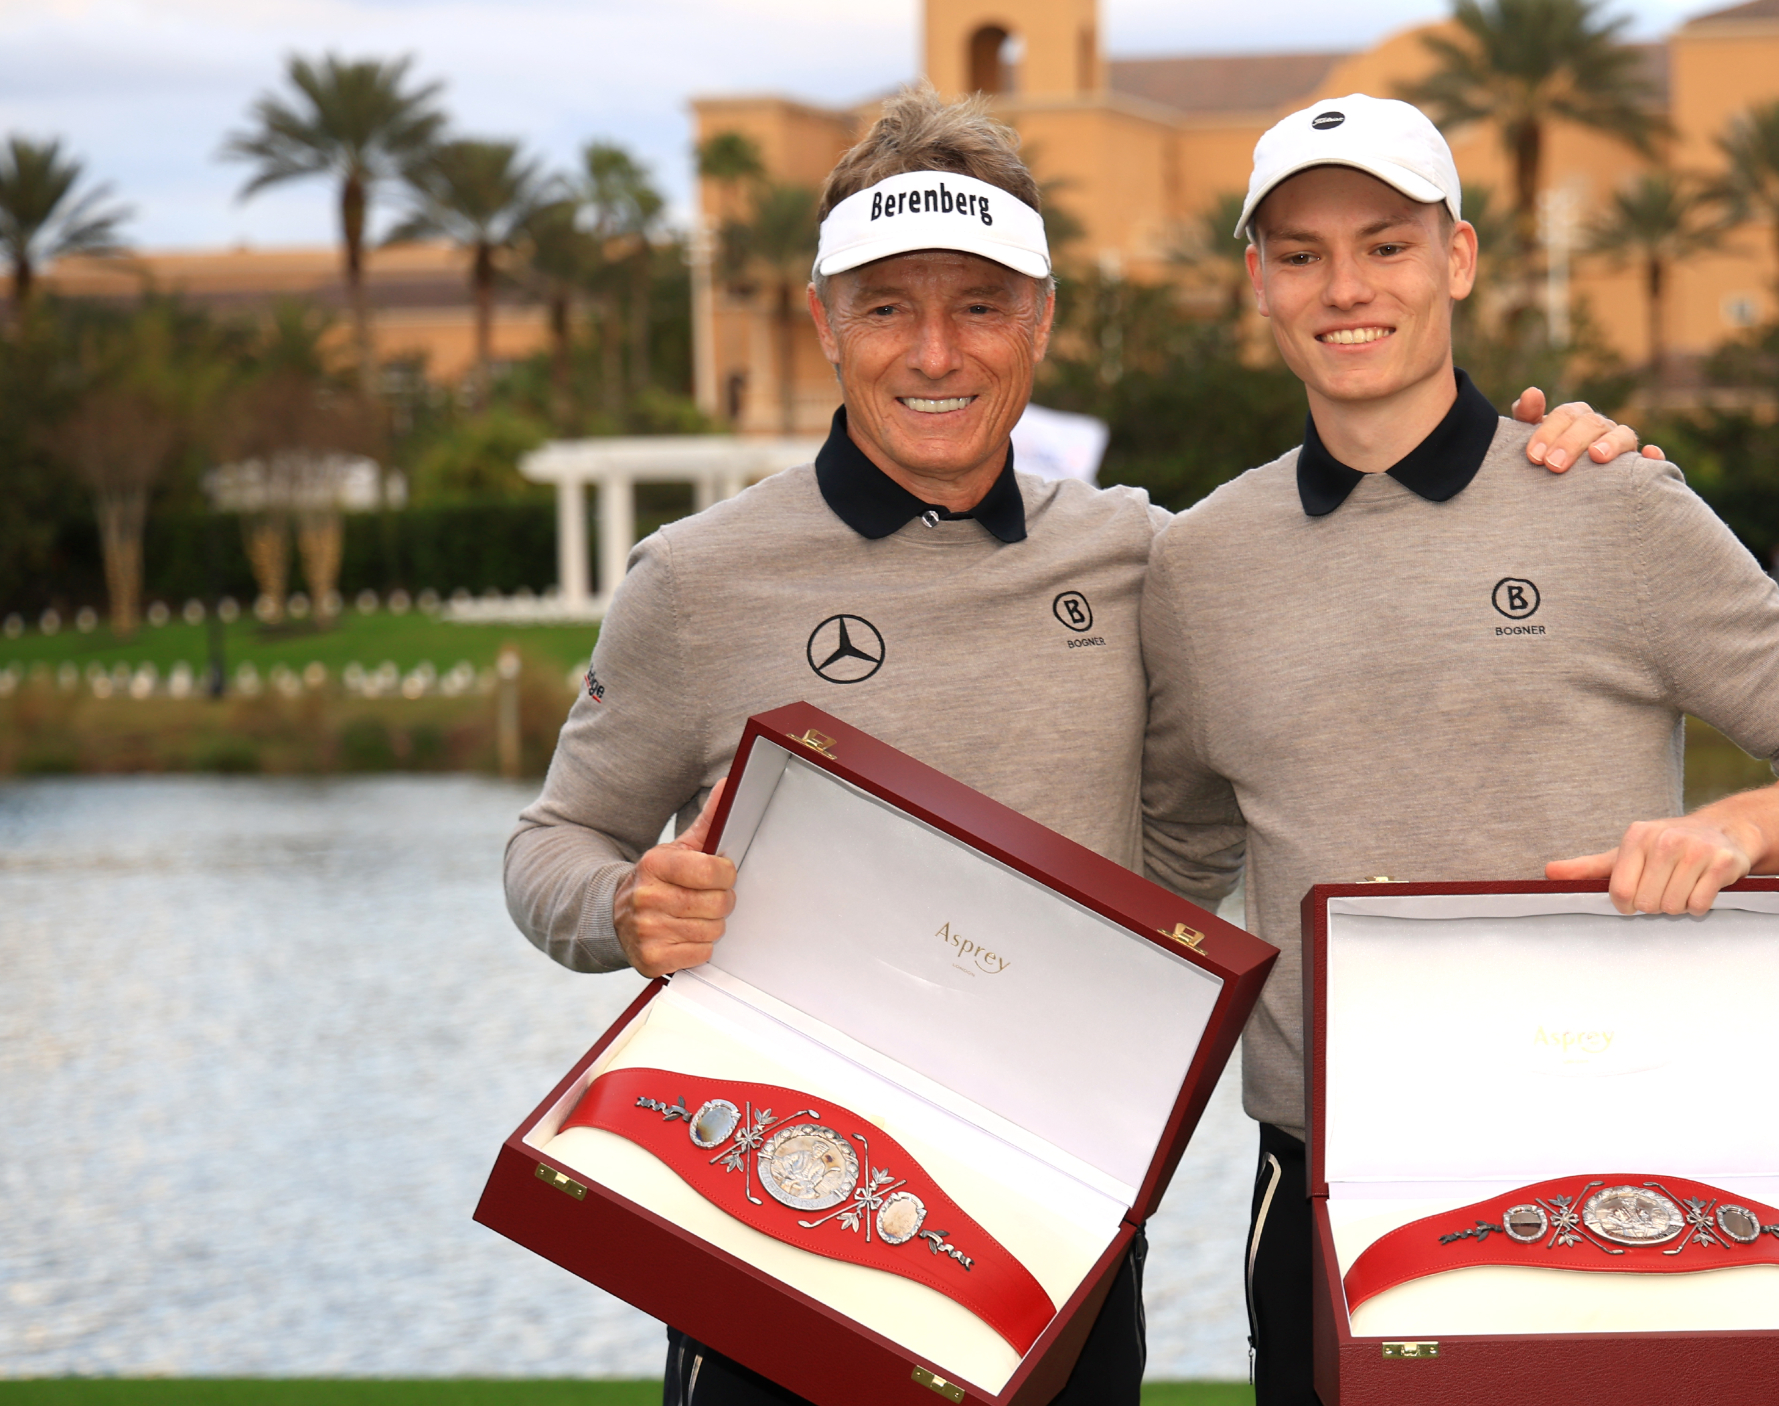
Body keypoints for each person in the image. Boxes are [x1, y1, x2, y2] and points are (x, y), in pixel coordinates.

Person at [503, 86, 1651, 1406]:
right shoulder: (697, 580)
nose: (936, 353)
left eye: (981, 307)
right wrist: (626, 904)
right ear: (824, 321)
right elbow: (553, 843)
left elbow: (1228, 770)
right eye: (887, 308)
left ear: (1040, 321)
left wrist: (1550, 478)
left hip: (1057, 1217)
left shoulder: (1141, 555)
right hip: (767, 1198)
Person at [1133, 94, 1779, 1405]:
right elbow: (1174, 862)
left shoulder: (1612, 499)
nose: (1346, 288)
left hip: (1614, 1163)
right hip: (1323, 1183)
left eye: (1387, 245)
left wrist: (1733, 831)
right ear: (1258, 282)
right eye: (1302, 253)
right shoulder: (1199, 562)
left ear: (1456, 259)